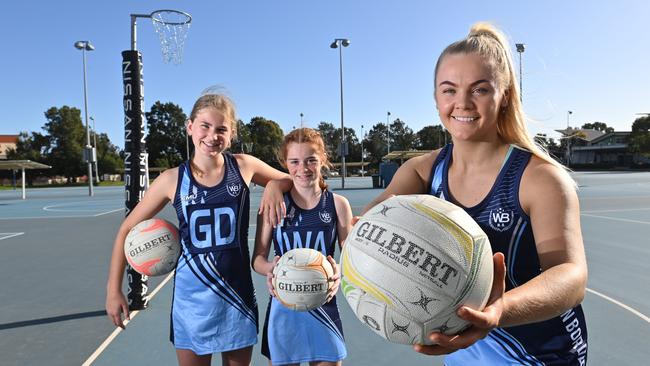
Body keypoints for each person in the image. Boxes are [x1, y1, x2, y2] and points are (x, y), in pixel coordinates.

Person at [361, 22, 588, 365]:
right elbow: (367, 228)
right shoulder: (423, 171)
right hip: (467, 354)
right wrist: (278, 183)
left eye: (480, 89)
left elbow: (570, 276)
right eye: (449, 90)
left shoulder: (539, 178)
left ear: (505, 94)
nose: (462, 103)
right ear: (436, 96)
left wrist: (498, 310)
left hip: (540, 354)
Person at [105, 92, 291, 366]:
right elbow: (126, 229)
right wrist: (113, 290)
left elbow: (293, 181)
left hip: (237, 298)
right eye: (204, 126)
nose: (212, 135)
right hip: (191, 304)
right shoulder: (172, 180)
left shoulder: (244, 166)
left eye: (221, 129)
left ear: (232, 134)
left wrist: (276, 184)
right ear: (190, 126)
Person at [252, 128, 353, 366]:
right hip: (283, 307)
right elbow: (257, 258)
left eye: (311, 161)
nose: (303, 168)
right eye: (294, 162)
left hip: (323, 307)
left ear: (323, 160)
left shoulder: (338, 205)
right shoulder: (273, 203)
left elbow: (351, 258)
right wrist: (271, 269)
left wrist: (338, 271)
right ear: (285, 163)